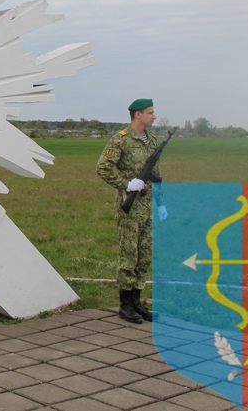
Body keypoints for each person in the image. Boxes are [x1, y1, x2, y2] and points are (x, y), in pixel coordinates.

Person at [97, 98, 168, 324]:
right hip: (130, 207)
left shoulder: (153, 140)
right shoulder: (121, 140)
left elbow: (156, 175)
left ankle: (138, 301)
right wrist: (126, 184)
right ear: (138, 115)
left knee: (144, 255)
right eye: (150, 113)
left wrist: (161, 203)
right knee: (129, 255)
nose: (154, 117)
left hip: (147, 208)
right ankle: (125, 305)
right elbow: (103, 167)